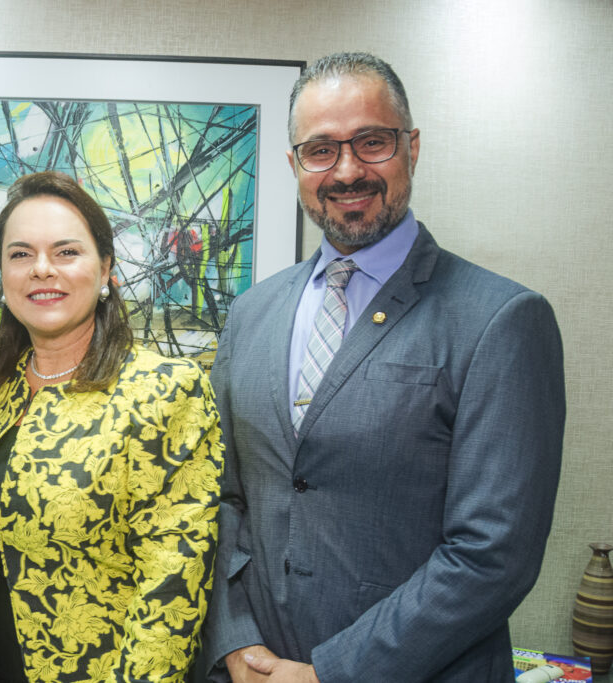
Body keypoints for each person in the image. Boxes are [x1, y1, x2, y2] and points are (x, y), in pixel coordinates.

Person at [202, 52, 565, 683]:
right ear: (294, 165)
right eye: (320, 150)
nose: (346, 170)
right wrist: (233, 640)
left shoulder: (502, 319)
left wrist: (329, 674)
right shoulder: (251, 313)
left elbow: (492, 555)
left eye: (372, 142)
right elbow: (225, 495)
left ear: (412, 148)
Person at [0, 170, 224, 682]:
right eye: (21, 254)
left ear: (105, 272)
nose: (42, 270)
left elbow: (171, 589)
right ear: (3, 273)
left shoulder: (164, 391)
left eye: (67, 252)